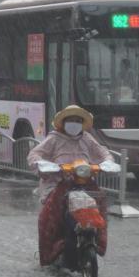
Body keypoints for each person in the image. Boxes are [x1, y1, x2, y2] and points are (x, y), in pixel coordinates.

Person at [27, 105, 114, 268]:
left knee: (100, 201)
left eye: (78, 121)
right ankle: (50, 250)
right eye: (71, 120)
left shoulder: (87, 139)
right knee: (50, 215)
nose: (74, 123)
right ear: (64, 123)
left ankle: (97, 239)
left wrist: (107, 162)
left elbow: (103, 152)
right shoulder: (54, 139)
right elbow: (34, 155)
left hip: (83, 183)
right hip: (58, 183)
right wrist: (44, 165)